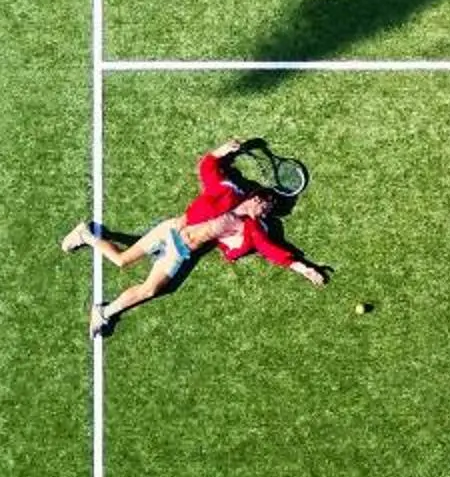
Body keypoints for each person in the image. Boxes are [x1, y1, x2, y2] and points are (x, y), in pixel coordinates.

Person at [61, 135, 329, 338]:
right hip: (171, 230)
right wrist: (223, 150)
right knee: (121, 261)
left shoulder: (251, 228)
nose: (264, 210)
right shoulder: (228, 189)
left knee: (151, 289)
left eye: (268, 210)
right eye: (264, 204)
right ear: (255, 197)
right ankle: (85, 234)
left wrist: (305, 269)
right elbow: (208, 167)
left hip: (181, 251)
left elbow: (272, 251)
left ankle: (104, 312)